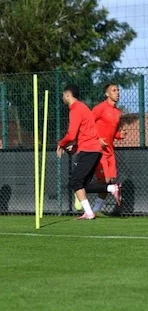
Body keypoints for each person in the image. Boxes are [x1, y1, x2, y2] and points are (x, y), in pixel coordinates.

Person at [57, 85, 121, 219]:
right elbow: (87, 131)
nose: (62, 98)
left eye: (63, 95)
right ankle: (92, 209)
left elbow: (71, 134)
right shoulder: (84, 108)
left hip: (89, 149)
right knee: (82, 184)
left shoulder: (76, 109)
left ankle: (95, 206)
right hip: (95, 149)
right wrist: (76, 144)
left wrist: (61, 144)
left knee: (75, 182)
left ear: (68, 95)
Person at [91, 84, 123, 213]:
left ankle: (95, 210)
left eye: (118, 90)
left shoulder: (118, 112)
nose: (117, 92)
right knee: (105, 180)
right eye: (114, 90)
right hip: (99, 150)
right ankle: (80, 189)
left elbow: (113, 132)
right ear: (107, 94)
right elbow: (88, 124)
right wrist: (97, 139)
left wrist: (120, 135)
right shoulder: (100, 108)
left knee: (110, 180)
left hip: (110, 150)